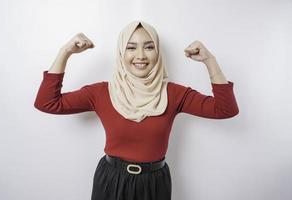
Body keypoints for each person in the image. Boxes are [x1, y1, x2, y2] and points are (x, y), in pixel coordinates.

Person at [34, 20, 239, 200]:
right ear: (122, 52)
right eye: (131, 48)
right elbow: (47, 103)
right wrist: (65, 52)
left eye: (149, 47)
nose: (140, 56)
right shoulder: (101, 92)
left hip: (154, 184)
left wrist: (209, 60)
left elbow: (225, 109)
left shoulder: (174, 93)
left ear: (157, 52)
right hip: (111, 181)